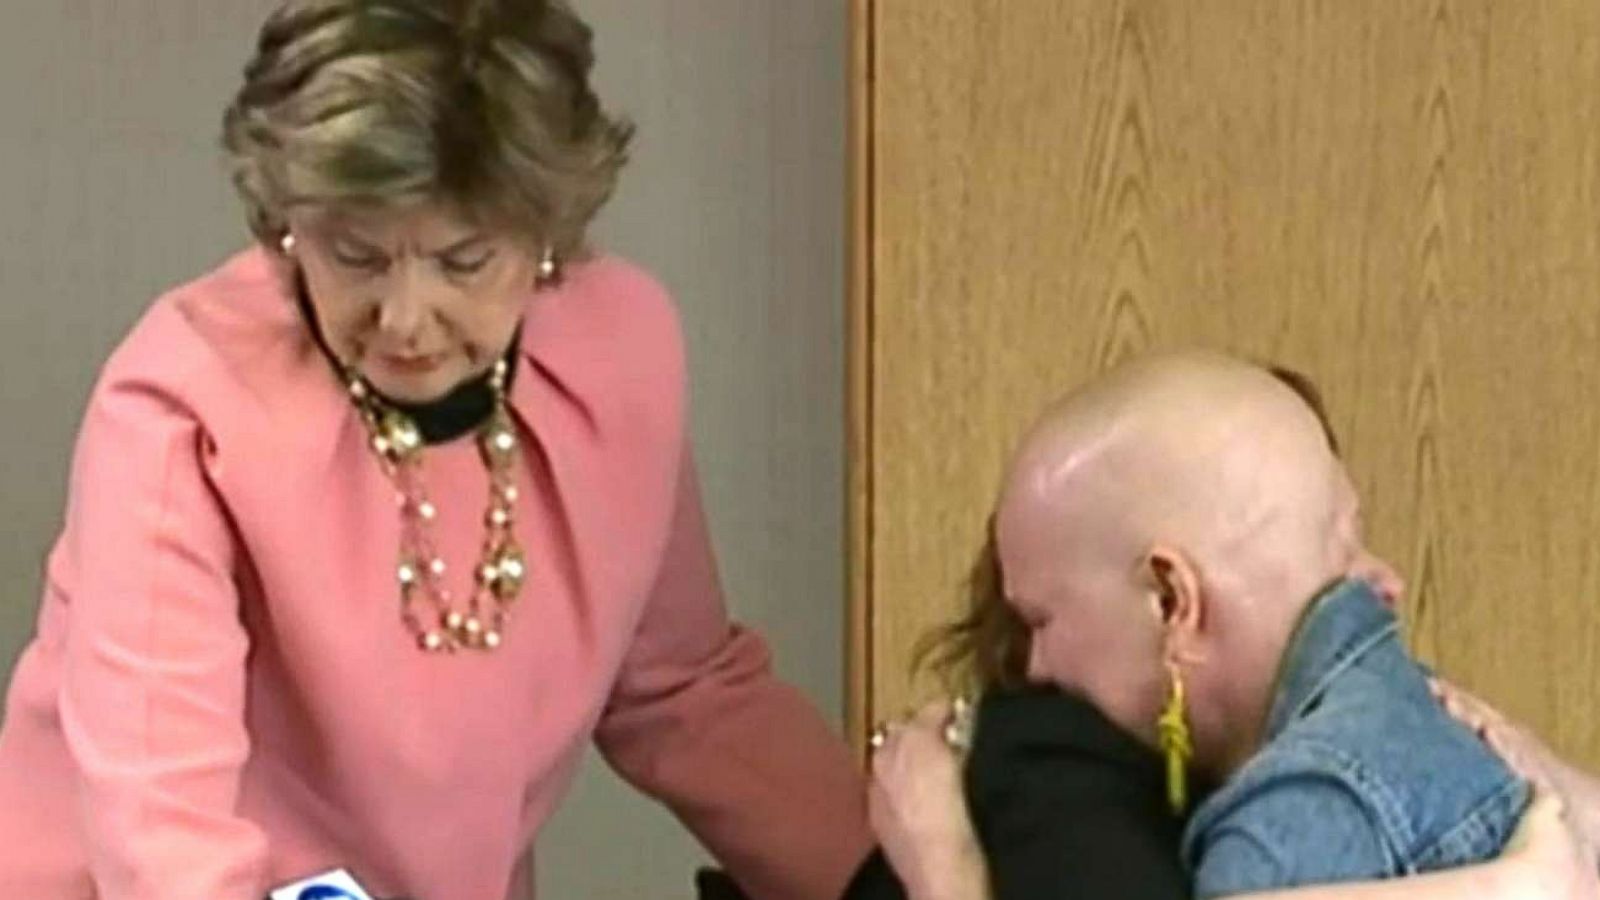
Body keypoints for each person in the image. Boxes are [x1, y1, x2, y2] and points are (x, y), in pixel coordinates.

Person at [0, 2, 871, 898]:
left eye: (462, 261)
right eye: (356, 256)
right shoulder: (182, 404)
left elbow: (686, 693)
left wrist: (901, 878)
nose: (407, 321)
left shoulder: (620, 359)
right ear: (286, 222)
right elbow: (164, 839)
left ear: (544, 232)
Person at [864, 352, 1600, 900]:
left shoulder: (1301, 809)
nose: (1035, 668)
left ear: (1171, 600)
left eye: (1042, 621)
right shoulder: (1431, 738)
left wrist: (948, 869)